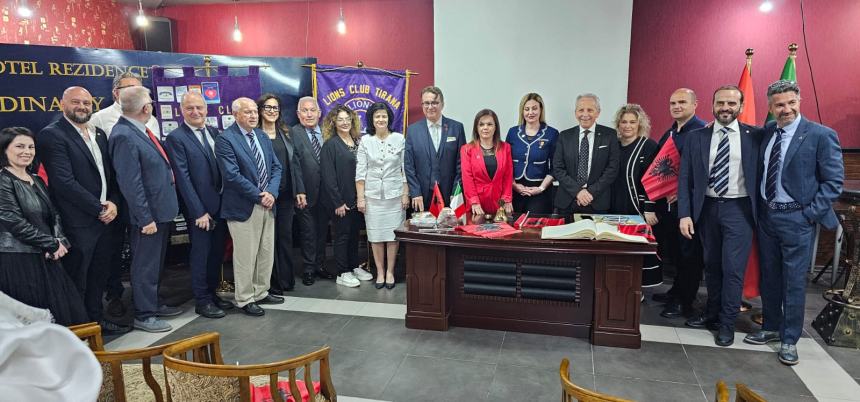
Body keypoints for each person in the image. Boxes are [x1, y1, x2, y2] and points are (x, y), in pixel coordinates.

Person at [743, 80, 844, 365]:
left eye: (790, 103)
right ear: (770, 107)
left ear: (799, 101)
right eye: (779, 105)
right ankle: (771, 327)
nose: (785, 109)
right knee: (770, 277)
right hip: (767, 216)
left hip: (797, 218)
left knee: (794, 282)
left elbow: (833, 182)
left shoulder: (820, 135)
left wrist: (809, 214)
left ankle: (789, 339)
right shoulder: (766, 135)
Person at [35, 86, 128, 334]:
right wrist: (98, 208)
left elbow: (110, 176)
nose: (82, 107)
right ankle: (78, 329)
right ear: (62, 104)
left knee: (99, 275)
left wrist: (114, 203)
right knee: (79, 278)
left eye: (87, 103)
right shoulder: (52, 135)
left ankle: (96, 323)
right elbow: (63, 182)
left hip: (106, 219)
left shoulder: (98, 134)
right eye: (76, 102)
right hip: (79, 222)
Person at [677, 85, 762, 346]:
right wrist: (685, 214)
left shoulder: (755, 137)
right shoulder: (697, 137)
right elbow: (685, 178)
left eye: (731, 103)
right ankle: (711, 314)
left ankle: (727, 324)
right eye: (720, 103)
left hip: (739, 210)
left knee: (733, 269)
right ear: (712, 105)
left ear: (741, 106)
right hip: (708, 209)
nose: (725, 108)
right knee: (712, 266)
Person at [109, 86, 182, 332]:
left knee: (155, 264)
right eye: (150, 102)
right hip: (147, 216)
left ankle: (154, 302)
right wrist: (144, 218)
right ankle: (144, 314)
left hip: (160, 211)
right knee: (145, 266)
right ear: (146, 108)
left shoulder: (139, 131)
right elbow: (130, 184)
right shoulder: (124, 135)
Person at [0, 127, 88, 326]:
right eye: (19, 146)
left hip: (47, 256)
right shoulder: (3, 180)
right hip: (19, 260)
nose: (27, 151)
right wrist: (50, 244)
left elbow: (54, 213)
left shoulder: (37, 179)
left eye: (31, 147)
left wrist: (59, 241)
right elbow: (14, 221)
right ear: (5, 150)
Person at [90, 72, 159, 318]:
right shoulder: (99, 119)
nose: (134, 92)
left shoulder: (150, 118)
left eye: (138, 88)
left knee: (145, 254)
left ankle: (149, 301)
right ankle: (115, 296)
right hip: (115, 195)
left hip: (146, 196)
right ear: (115, 92)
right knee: (114, 249)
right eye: (128, 88)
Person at [163, 92, 233, 319]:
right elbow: (183, 178)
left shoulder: (214, 133)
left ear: (206, 109)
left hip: (221, 207)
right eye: (190, 108)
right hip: (200, 211)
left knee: (216, 255)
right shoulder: (176, 138)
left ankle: (213, 294)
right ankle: (202, 301)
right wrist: (198, 212)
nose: (195, 112)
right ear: (181, 111)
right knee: (201, 256)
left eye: (199, 108)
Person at [216, 97, 284, 317]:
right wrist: (259, 195)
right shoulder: (226, 139)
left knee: (265, 252)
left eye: (255, 111)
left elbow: (276, 167)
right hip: (244, 206)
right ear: (236, 115)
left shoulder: (262, 136)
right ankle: (244, 298)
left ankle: (261, 291)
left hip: (268, 203)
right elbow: (231, 175)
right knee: (246, 255)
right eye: (248, 112)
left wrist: (271, 192)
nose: (254, 116)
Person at [652, 88, 707, 319]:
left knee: (690, 256)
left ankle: (685, 301)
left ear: (695, 104)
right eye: (673, 103)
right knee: (675, 253)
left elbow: (705, 172)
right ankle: (675, 291)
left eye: (682, 102)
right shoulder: (671, 132)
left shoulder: (703, 132)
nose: (676, 106)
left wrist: (682, 191)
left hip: (691, 208)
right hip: (669, 207)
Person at [256, 94, 308, 294]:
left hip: (285, 196)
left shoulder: (285, 133)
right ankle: (270, 282)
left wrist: (300, 189)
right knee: (266, 241)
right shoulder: (254, 134)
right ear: (261, 110)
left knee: (284, 238)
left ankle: (286, 280)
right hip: (264, 197)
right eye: (268, 107)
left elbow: (295, 163)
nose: (272, 111)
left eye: (275, 108)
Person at [356, 102, 408, 289]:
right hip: (372, 197)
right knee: (376, 236)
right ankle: (379, 271)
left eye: (384, 116)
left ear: (389, 118)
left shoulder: (399, 139)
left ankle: (390, 272)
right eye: (377, 116)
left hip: (394, 196)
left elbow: (405, 170)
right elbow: (360, 173)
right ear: (371, 119)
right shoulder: (365, 141)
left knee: (392, 236)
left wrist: (405, 194)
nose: (380, 119)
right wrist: (360, 198)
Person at [608, 104, 661, 288]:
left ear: (640, 124)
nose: (627, 126)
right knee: (616, 248)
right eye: (624, 122)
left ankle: (637, 290)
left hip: (637, 207)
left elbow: (654, 179)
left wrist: (650, 208)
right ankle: (619, 287)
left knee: (636, 247)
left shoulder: (648, 146)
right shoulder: (612, 144)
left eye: (632, 122)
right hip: (613, 204)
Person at [289, 97, 337, 286]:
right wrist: (299, 190)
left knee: (322, 231)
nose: (309, 114)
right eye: (304, 110)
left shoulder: (327, 133)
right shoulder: (293, 133)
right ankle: (308, 268)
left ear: (319, 113)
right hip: (305, 193)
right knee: (308, 232)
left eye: (312, 110)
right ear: (298, 114)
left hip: (326, 194)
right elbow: (294, 166)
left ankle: (319, 265)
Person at [320, 105, 366, 288]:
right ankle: (342, 272)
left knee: (354, 235)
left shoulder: (357, 141)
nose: (345, 122)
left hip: (357, 199)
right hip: (341, 202)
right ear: (333, 122)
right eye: (340, 119)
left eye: (348, 119)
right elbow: (328, 177)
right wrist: (337, 202)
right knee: (342, 236)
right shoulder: (330, 145)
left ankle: (354, 266)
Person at [552, 93, 620, 214]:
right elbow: (558, 168)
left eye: (590, 110)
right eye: (581, 110)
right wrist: (578, 192)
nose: (585, 114)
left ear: (598, 112)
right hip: (567, 201)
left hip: (597, 201)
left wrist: (590, 193)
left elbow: (612, 169)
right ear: (575, 113)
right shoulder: (564, 136)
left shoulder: (609, 135)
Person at [404, 86, 467, 211]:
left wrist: (456, 192)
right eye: (426, 103)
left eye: (434, 102)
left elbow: (462, 164)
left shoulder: (457, 128)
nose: (430, 106)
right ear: (422, 105)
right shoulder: (412, 130)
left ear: (442, 104)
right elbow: (409, 166)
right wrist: (415, 192)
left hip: (450, 194)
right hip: (422, 197)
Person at [505, 93, 559, 214]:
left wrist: (541, 188)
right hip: (514, 190)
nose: (530, 113)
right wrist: (513, 185)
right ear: (522, 111)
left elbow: (556, 167)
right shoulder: (513, 132)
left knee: (534, 228)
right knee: (512, 228)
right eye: (527, 109)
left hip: (540, 191)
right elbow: (505, 163)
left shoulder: (552, 133)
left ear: (541, 110)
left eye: (534, 108)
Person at [461, 109, 513, 217]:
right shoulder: (467, 149)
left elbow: (508, 176)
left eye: (489, 124)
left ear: (495, 127)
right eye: (481, 124)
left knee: (502, 232)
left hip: (500, 203)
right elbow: (467, 178)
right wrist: (474, 202)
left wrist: (505, 200)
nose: (485, 128)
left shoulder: (505, 148)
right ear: (476, 128)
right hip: (477, 205)